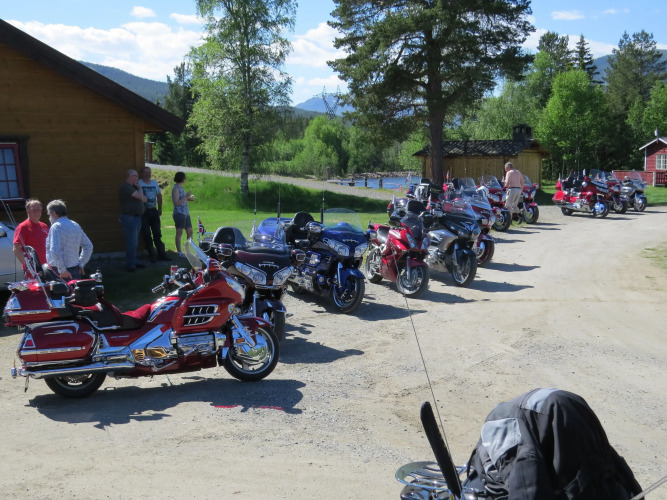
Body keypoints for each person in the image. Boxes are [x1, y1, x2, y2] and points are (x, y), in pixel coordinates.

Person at [45, 199, 93, 280]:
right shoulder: (75, 225)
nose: (49, 217)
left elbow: (55, 250)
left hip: (59, 271)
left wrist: (62, 270)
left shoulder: (56, 226)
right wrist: (81, 263)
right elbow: (89, 246)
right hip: (75, 269)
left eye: (49, 214)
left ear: (53, 213)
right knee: (75, 288)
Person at [12, 198, 49, 278]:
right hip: (33, 271)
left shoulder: (44, 226)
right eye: (34, 210)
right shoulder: (23, 227)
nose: (37, 212)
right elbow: (16, 249)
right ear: (27, 210)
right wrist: (28, 266)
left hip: (46, 268)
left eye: (39, 209)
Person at [138, 166, 169, 262]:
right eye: (145, 172)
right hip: (144, 212)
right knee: (147, 234)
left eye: (149, 172)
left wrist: (160, 208)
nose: (147, 174)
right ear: (142, 174)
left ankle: (162, 254)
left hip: (153, 211)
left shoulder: (154, 183)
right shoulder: (139, 183)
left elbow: (159, 196)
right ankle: (152, 255)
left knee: (157, 233)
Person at [119, 169, 147, 272]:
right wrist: (140, 188)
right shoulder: (126, 187)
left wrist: (140, 192)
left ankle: (133, 261)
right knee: (131, 242)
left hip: (137, 218)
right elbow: (140, 197)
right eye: (136, 176)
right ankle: (130, 265)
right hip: (129, 218)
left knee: (134, 242)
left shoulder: (133, 187)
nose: (137, 178)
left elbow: (144, 199)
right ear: (130, 177)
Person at [171, 171, 194, 258]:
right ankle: (179, 252)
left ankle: (188, 250)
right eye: (185, 177)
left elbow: (182, 200)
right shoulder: (176, 188)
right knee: (179, 232)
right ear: (182, 178)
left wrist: (189, 199)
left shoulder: (181, 188)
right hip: (179, 213)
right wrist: (186, 196)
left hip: (186, 213)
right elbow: (176, 202)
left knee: (190, 231)